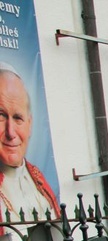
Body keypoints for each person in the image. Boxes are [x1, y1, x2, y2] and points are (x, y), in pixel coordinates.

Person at [0, 67, 60, 228]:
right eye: (1, 116)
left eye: (18, 118)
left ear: (30, 124)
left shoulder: (38, 178)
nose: (11, 132)